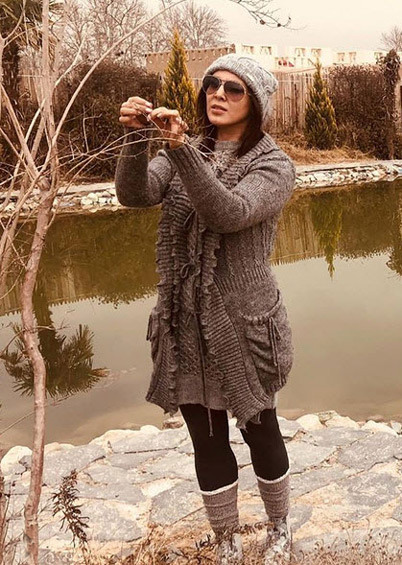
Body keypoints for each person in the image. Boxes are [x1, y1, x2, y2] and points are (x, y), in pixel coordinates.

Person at [115, 54, 296, 565]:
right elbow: (135, 194)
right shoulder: (188, 148)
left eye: (234, 89)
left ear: (255, 104)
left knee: (260, 430)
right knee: (207, 439)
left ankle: (280, 529)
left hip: (244, 326)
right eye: (212, 84)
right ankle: (227, 540)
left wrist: (180, 152)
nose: (218, 93)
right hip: (185, 324)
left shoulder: (273, 165)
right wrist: (137, 139)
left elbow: (228, 213)